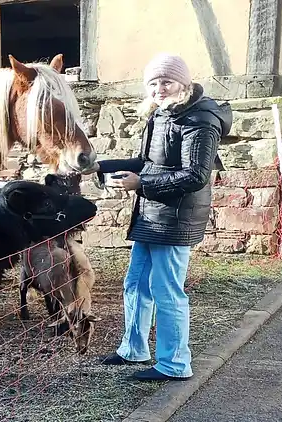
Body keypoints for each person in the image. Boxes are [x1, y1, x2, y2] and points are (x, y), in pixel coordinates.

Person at [83, 53, 232, 381]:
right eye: (153, 83)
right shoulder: (162, 115)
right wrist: (102, 166)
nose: (159, 89)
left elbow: (195, 175)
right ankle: (134, 348)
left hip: (176, 219)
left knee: (167, 291)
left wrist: (142, 184)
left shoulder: (200, 120)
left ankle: (175, 364)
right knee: (136, 283)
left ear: (184, 83)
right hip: (152, 215)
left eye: (166, 82)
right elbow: (145, 161)